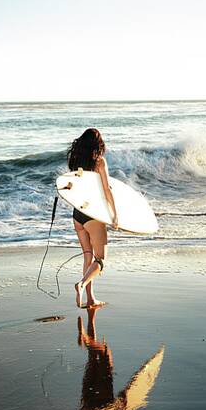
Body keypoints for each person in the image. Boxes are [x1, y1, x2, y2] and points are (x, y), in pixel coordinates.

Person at [67, 128, 118, 308]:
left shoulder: (74, 161)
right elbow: (107, 189)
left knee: (88, 257)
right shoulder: (99, 162)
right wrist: (114, 214)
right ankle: (81, 284)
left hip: (77, 214)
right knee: (100, 260)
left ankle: (90, 298)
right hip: (93, 215)